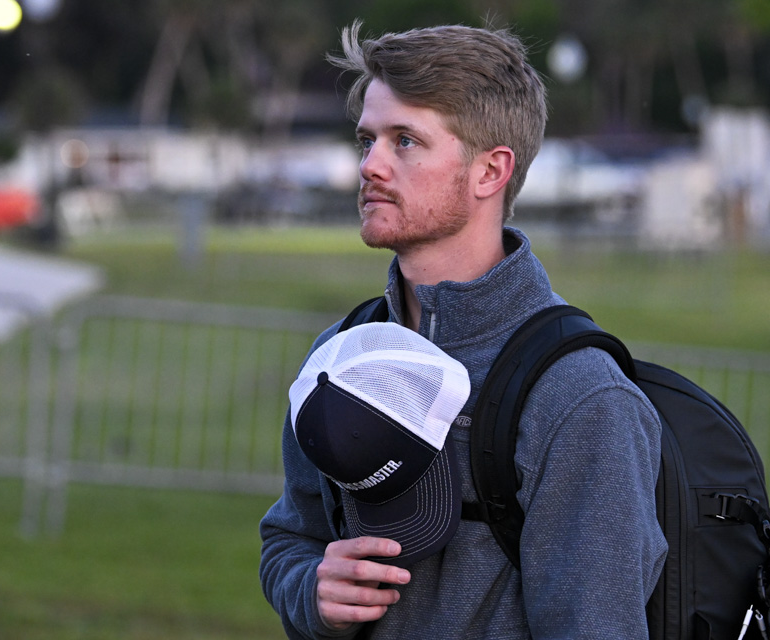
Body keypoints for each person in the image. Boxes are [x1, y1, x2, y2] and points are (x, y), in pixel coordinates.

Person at [259, 21, 668, 640]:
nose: (370, 166)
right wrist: (313, 590)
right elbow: (291, 536)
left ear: (490, 171)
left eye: (405, 141)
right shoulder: (339, 358)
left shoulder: (579, 397)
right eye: (367, 140)